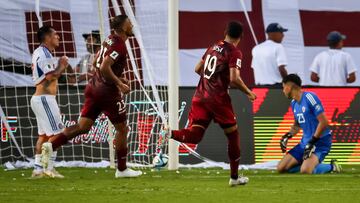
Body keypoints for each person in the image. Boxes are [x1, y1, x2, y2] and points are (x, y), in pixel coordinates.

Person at [41, 15, 142, 178]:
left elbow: (96, 62)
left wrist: (116, 76)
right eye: (130, 23)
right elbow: (103, 66)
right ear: (123, 28)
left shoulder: (109, 39)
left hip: (93, 87)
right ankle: (122, 169)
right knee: (122, 129)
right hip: (107, 92)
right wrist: (119, 83)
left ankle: (51, 144)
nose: (132, 26)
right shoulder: (119, 45)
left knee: (82, 126)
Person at [162, 21, 257, 186]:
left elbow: (198, 68)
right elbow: (234, 78)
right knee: (233, 135)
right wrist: (248, 92)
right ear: (240, 36)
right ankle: (234, 178)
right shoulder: (234, 52)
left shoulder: (213, 46)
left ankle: (169, 134)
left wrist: (210, 82)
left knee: (196, 134)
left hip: (200, 97)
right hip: (218, 99)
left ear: (225, 31)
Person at [277, 74, 341, 174]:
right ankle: (308, 164)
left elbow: (324, 122)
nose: (283, 90)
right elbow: (297, 125)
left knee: (305, 170)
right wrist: (287, 136)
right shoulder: (293, 103)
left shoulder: (310, 97)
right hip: (305, 143)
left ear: (289, 87)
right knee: (281, 168)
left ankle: (332, 167)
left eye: (283, 87)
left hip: (320, 142)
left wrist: (312, 142)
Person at [30, 25, 68, 178]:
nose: (58, 37)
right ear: (47, 37)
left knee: (44, 136)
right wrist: (62, 65)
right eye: (55, 35)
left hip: (39, 99)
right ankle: (48, 168)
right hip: (45, 99)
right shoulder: (45, 54)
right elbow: (51, 76)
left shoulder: (40, 52)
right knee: (58, 134)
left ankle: (38, 170)